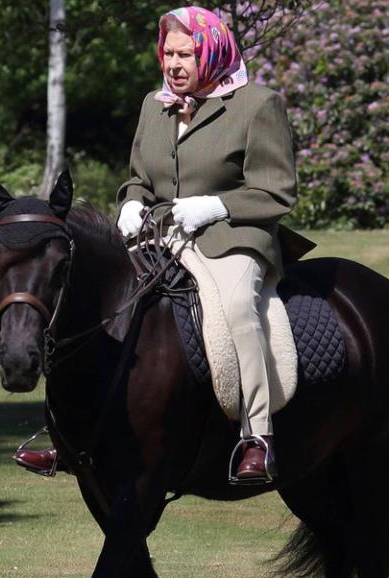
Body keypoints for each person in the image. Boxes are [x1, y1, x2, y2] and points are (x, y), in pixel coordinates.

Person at [16, 5, 298, 483]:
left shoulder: (258, 105)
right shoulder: (156, 103)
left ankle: (257, 436)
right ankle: (65, 436)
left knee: (234, 308)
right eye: (167, 53)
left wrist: (216, 206)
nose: (173, 64)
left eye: (185, 54)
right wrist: (130, 202)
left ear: (211, 50)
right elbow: (139, 179)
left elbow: (276, 191)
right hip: (160, 236)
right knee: (88, 300)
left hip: (232, 237)